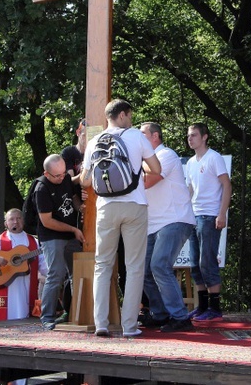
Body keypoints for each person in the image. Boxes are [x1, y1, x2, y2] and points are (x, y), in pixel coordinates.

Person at [80, 99, 161, 337]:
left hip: (106, 208)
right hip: (134, 206)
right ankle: (129, 326)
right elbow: (156, 169)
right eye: (131, 115)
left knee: (103, 265)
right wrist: (138, 171)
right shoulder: (136, 136)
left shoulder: (95, 141)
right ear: (123, 115)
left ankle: (101, 324)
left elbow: (85, 180)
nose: (132, 119)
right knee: (134, 267)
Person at [139, 122, 196, 332]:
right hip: (153, 224)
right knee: (144, 270)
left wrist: (132, 164)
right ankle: (161, 314)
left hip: (174, 219)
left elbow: (148, 181)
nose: (138, 138)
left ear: (155, 137)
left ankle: (180, 317)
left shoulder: (165, 154)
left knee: (159, 265)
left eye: (142, 134)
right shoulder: (147, 160)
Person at [185, 122, 231, 321]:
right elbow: (190, 190)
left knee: (207, 261)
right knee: (194, 262)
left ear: (204, 137)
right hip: (194, 216)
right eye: (188, 135)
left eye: (194, 135)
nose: (190, 138)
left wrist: (222, 213)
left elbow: (227, 186)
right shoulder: (190, 162)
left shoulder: (214, 158)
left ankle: (215, 307)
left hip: (210, 215)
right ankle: (202, 306)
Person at [35, 153, 86, 330]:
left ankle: (74, 312)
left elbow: (73, 196)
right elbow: (47, 221)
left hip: (71, 234)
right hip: (52, 236)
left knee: (77, 273)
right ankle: (47, 316)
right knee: (55, 274)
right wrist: (73, 229)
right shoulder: (41, 189)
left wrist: (80, 206)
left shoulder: (64, 177)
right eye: (57, 175)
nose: (62, 178)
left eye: (64, 173)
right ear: (46, 174)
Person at [0, 208, 48, 321]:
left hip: (25, 292)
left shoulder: (34, 242)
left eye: (18, 218)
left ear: (23, 221)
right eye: (11, 219)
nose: (15, 222)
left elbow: (44, 264)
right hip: (1, 287)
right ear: (6, 223)